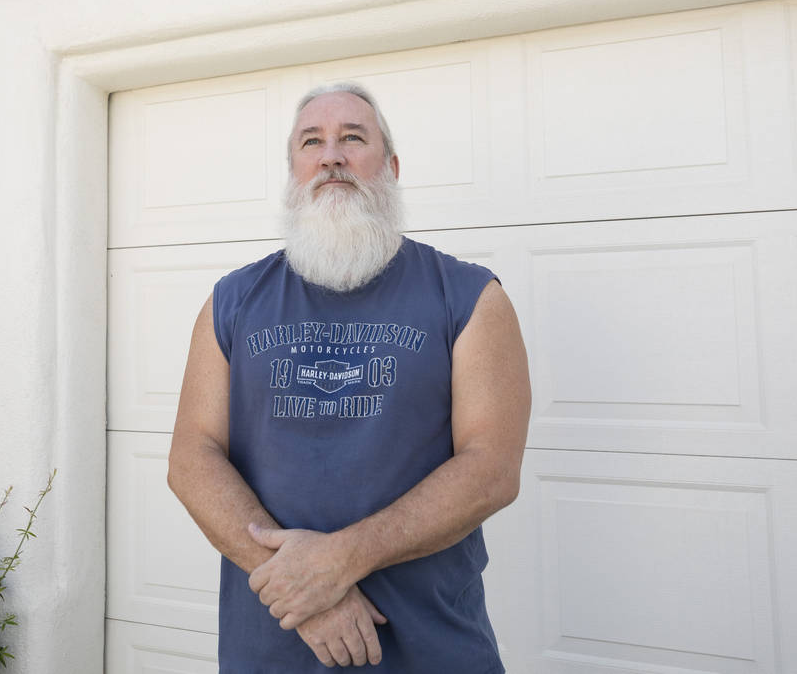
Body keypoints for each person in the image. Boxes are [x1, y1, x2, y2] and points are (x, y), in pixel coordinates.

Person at [168, 82, 531, 672]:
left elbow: (492, 469)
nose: (331, 155)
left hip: (432, 649)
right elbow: (191, 457)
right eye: (312, 141)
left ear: (390, 165)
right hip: (271, 649)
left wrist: (338, 561)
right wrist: (306, 596)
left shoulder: (468, 297)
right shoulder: (231, 302)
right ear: (293, 169)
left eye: (352, 138)